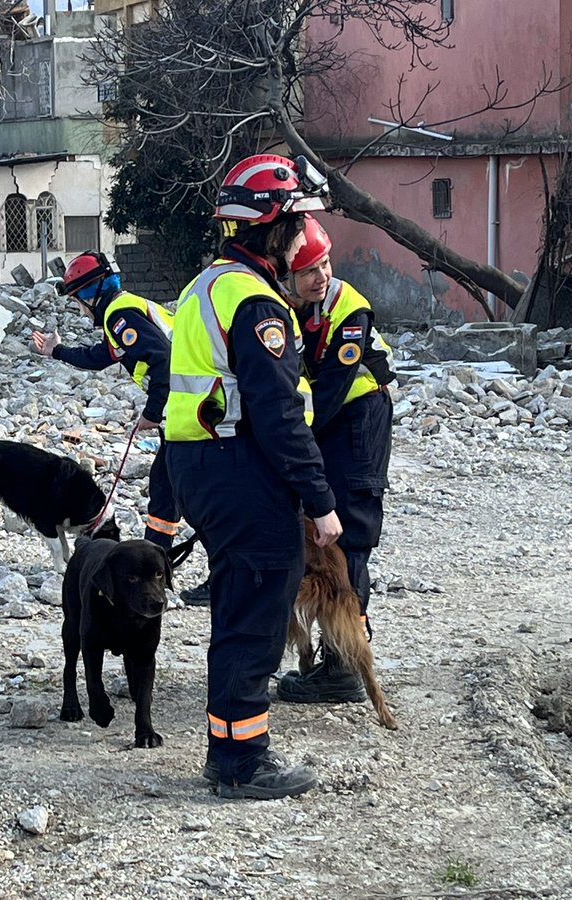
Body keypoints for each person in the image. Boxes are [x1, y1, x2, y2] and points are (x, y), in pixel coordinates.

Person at [164, 153, 343, 800]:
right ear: (271, 225)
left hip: (202, 466)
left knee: (240, 608)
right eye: (296, 224)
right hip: (240, 468)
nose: (303, 238)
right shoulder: (256, 304)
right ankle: (242, 763)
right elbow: (277, 414)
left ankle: (231, 748)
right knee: (257, 613)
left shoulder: (206, 286)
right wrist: (320, 500)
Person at [276, 215, 396, 705]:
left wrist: (287, 438)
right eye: (308, 269)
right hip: (335, 423)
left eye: (323, 263)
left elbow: (327, 394)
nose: (320, 275)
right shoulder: (293, 307)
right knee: (325, 531)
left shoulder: (351, 311)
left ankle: (345, 666)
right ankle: (338, 657)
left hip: (361, 420)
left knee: (350, 538)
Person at [31, 251, 182, 553]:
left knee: (183, 490)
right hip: (183, 410)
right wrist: (57, 351)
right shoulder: (126, 311)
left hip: (188, 411)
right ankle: (155, 557)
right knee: (165, 487)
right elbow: (100, 357)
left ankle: (186, 561)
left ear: (91, 292)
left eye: (77, 299)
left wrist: (153, 413)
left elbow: (163, 360)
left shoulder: (120, 316)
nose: (80, 308)